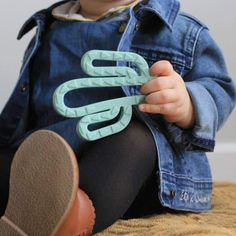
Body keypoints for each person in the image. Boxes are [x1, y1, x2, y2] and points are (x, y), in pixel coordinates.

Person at [0, 0, 235, 235]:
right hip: (54, 162)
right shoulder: (49, 31)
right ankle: (34, 206)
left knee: (135, 140)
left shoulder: (180, 30)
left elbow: (220, 89)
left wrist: (188, 103)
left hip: (133, 175)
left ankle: (72, 217)